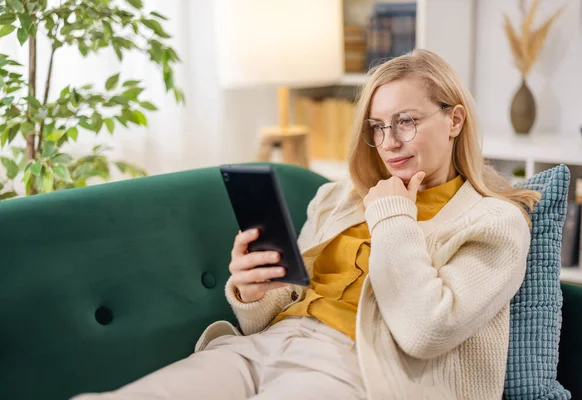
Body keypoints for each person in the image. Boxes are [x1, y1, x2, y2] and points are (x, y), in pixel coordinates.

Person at [73, 49, 541, 400]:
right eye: (378, 127)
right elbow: (285, 303)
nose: (390, 142)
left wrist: (394, 215)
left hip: (359, 367)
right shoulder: (337, 198)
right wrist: (256, 292)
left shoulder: (495, 221)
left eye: (406, 121)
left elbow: (425, 331)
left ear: (454, 119)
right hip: (264, 348)